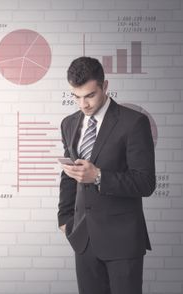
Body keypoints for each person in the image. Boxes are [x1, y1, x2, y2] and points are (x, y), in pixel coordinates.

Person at [58, 56, 156, 294]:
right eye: (76, 96)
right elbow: (68, 176)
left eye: (90, 95)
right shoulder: (69, 123)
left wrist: (99, 176)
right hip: (83, 238)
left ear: (105, 86)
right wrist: (64, 218)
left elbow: (145, 182)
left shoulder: (134, 123)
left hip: (122, 240)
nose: (84, 104)